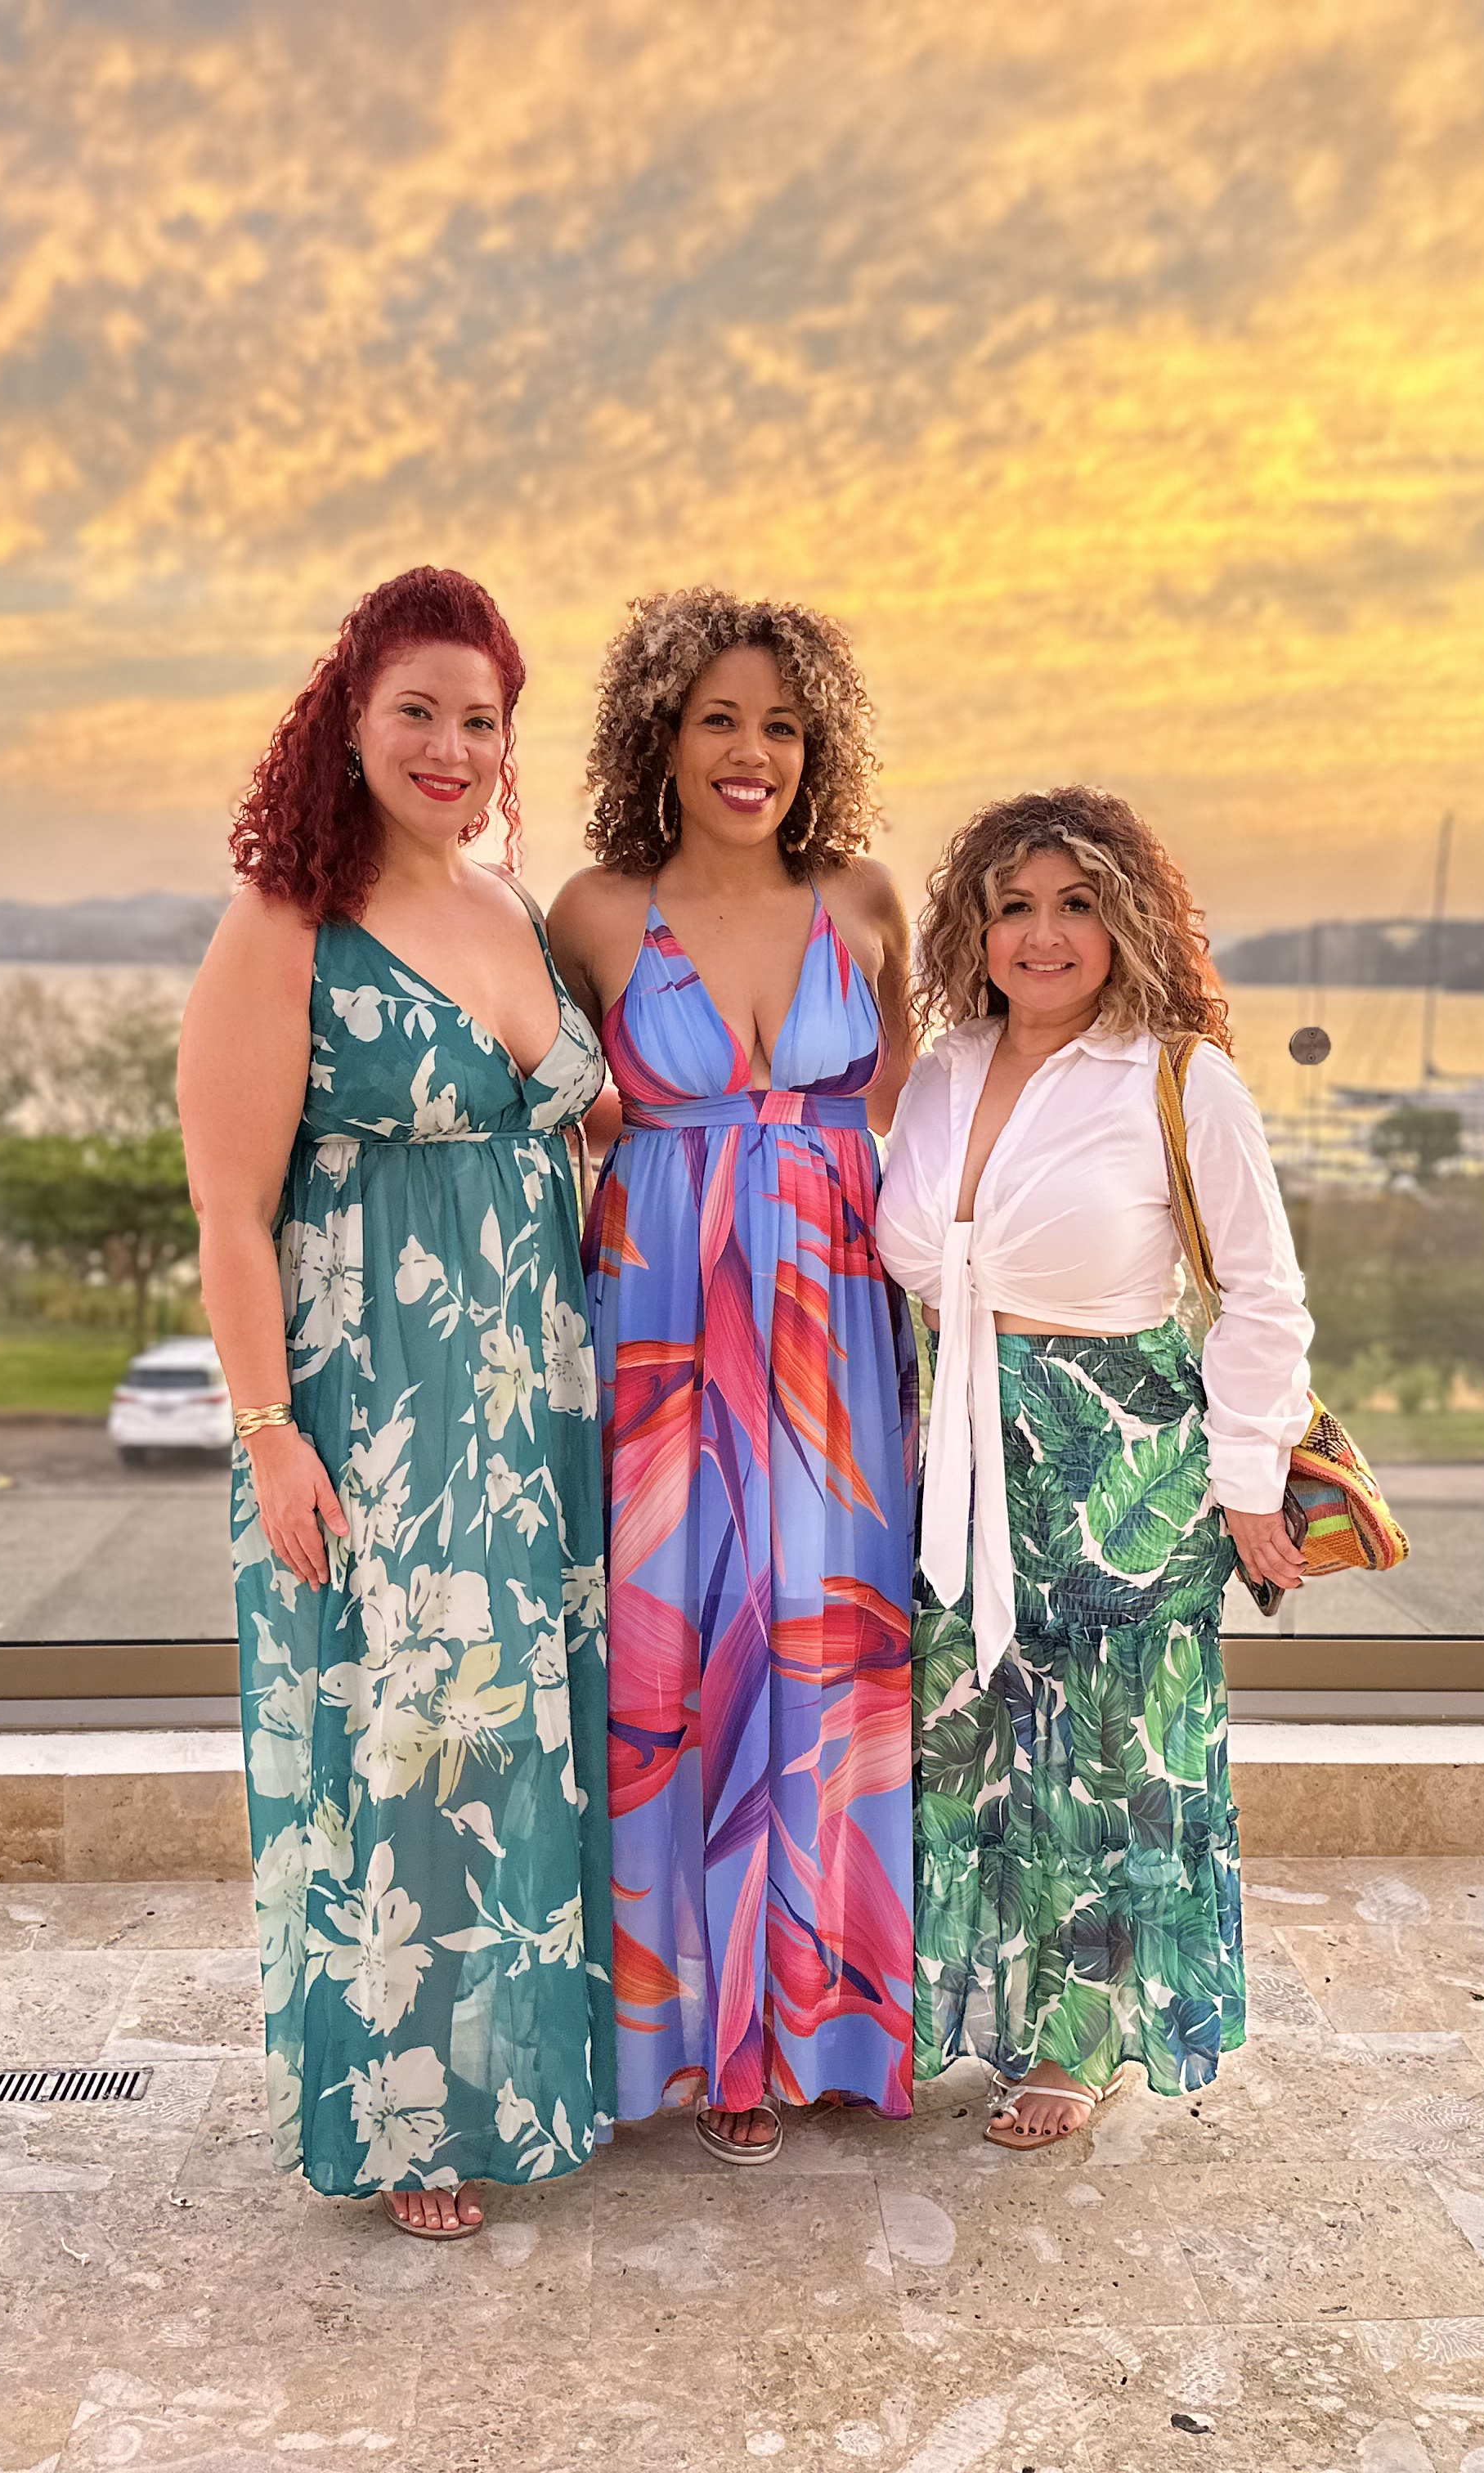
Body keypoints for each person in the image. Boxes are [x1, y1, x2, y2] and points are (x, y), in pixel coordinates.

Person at [177, 568, 612, 2238]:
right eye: (416, 711)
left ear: (510, 746)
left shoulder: (507, 910)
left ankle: (525, 2080)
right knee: (404, 1739)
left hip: (526, 1397)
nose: (449, 745)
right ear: (347, 722)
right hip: (374, 1406)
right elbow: (227, 1206)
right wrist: (266, 1431)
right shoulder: (285, 918)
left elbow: (570, 1123)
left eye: (479, 720)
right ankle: (407, 2118)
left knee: (513, 1736)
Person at [874, 786, 1312, 2151]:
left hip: (1123, 1458)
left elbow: (1263, 1295)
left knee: (1109, 1763)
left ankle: (1081, 2044)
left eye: (1076, 905)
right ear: (976, 925)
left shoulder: (1181, 1076)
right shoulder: (944, 1069)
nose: (1044, 935)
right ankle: (978, 2013)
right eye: (1015, 906)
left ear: (1125, 922)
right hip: (960, 1454)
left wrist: (1247, 1482)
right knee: (977, 1748)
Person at [547, 587, 919, 2160]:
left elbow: (906, 1106)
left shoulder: (868, 899)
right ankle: (690, 2045)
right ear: (662, 735)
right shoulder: (589, 912)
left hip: (832, 1333)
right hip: (656, 1324)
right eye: (719, 719)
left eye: (782, 723)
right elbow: (554, 1101)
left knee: (830, 1658)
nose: (752, 751)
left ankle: (819, 2026)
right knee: (665, 1656)